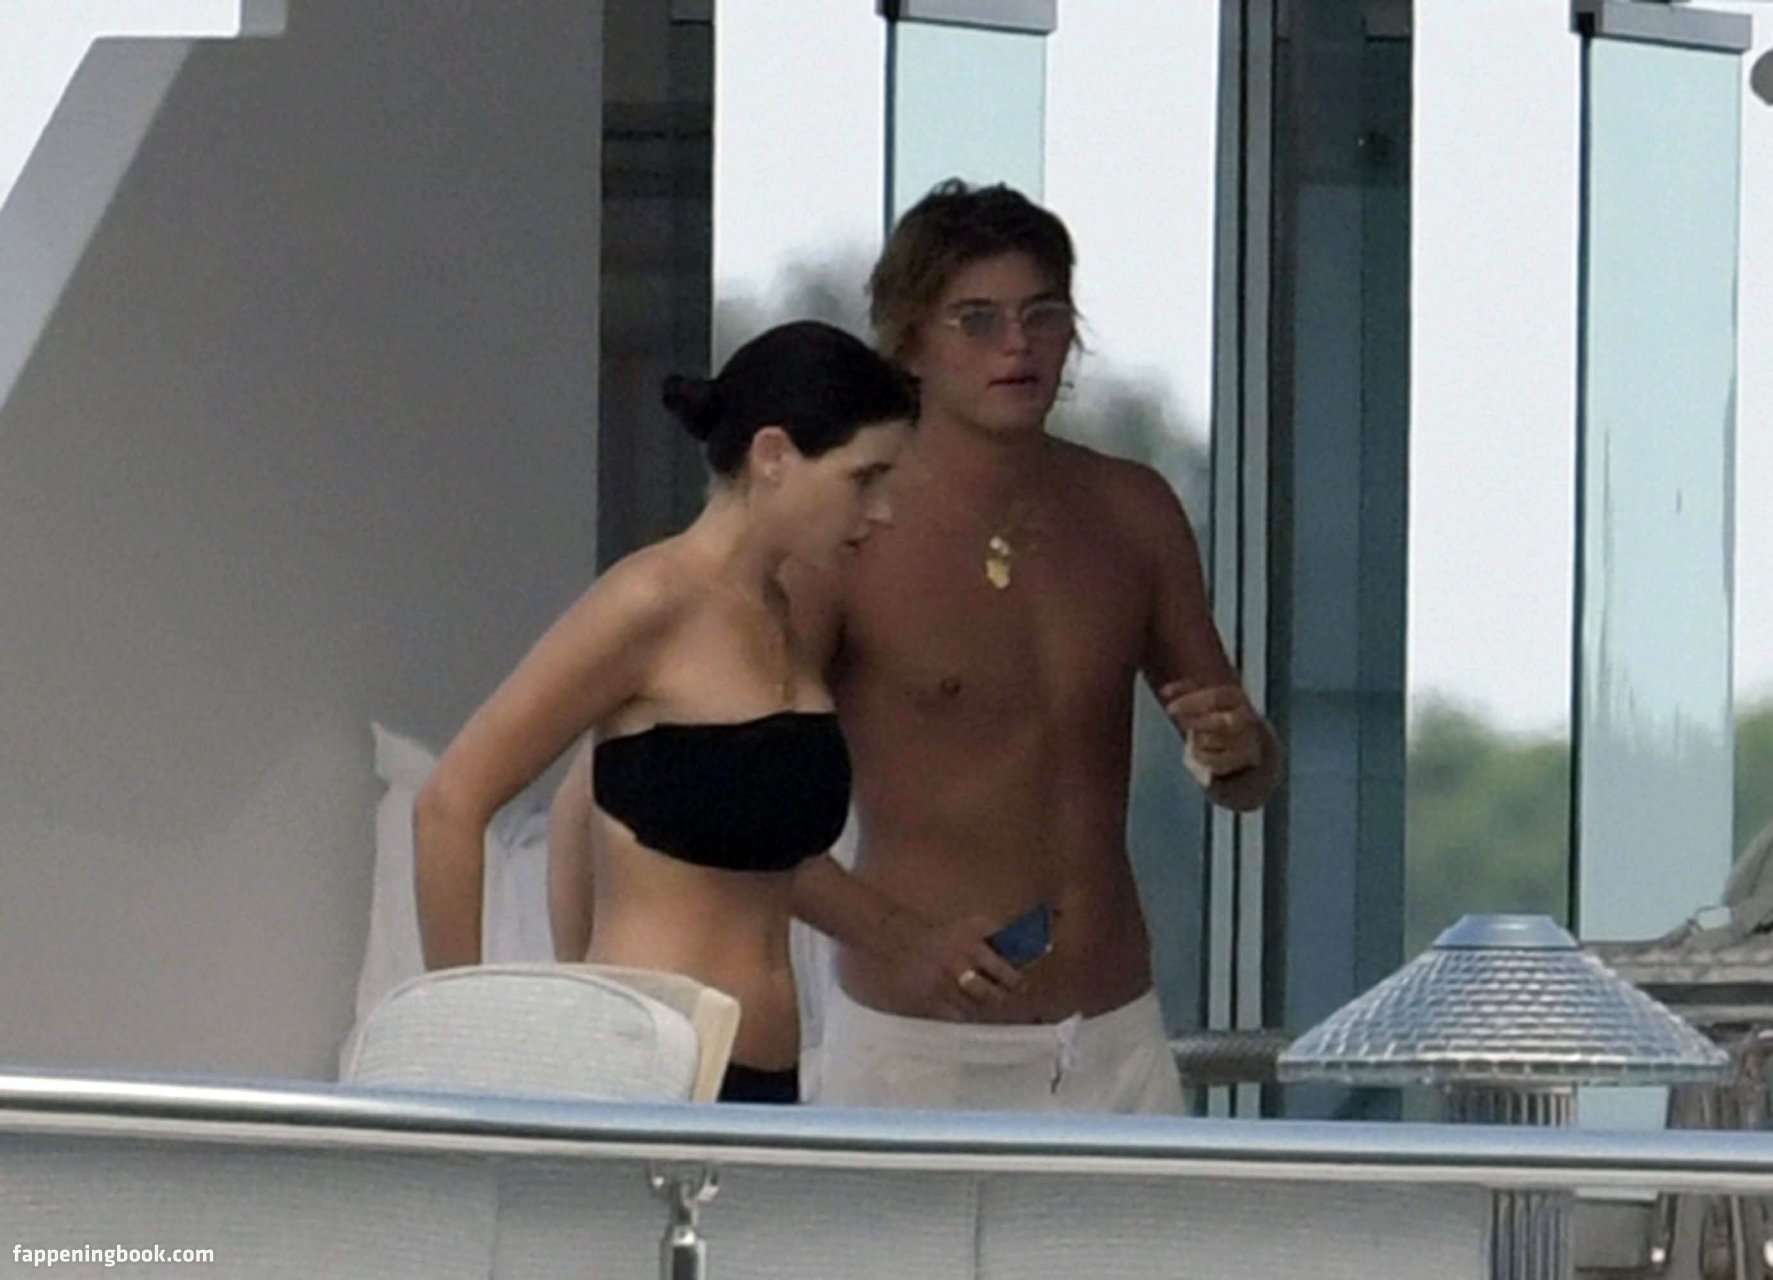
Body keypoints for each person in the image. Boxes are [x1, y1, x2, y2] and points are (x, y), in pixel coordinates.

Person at [786, 180, 1283, 1113]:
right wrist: (899, 939)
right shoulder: (851, 529)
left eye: (1042, 314)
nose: (1016, 344)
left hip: (1112, 1030)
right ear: (909, 344)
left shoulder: (1132, 510)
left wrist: (1234, 744)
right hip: (917, 1043)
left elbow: (1242, 774)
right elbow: (737, 816)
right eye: (976, 319)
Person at [413, 320, 917, 1104]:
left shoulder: (779, 611)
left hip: (764, 1076)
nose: (882, 511)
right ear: (773, 455)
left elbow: (589, 794)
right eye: (863, 478)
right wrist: (461, 1059)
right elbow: (451, 803)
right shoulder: (650, 599)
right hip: (650, 1073)